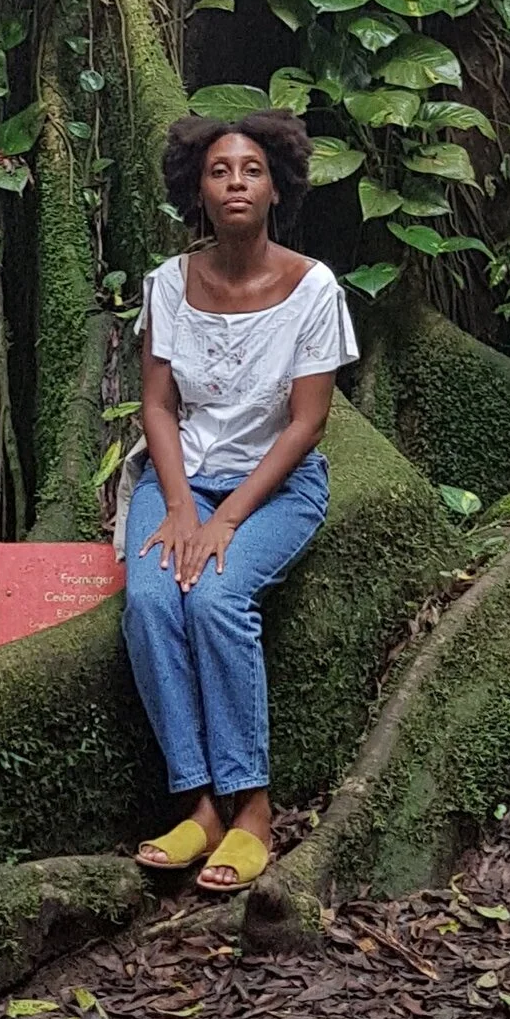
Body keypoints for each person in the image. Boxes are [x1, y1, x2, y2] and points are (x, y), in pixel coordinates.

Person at [122, 109, 357, 895]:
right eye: (219, 171)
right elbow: (157, 404)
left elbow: (308, 421)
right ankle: (197, 805)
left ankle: (252, 808)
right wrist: (180, 507)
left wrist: (224, 519)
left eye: (251, 170)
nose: (235, 183)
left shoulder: (312, 287)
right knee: (151, 598)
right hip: (180, 481)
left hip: (276, 488)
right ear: (198, 189)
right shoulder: (168, 284)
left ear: (276, 187)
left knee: (217, 596)